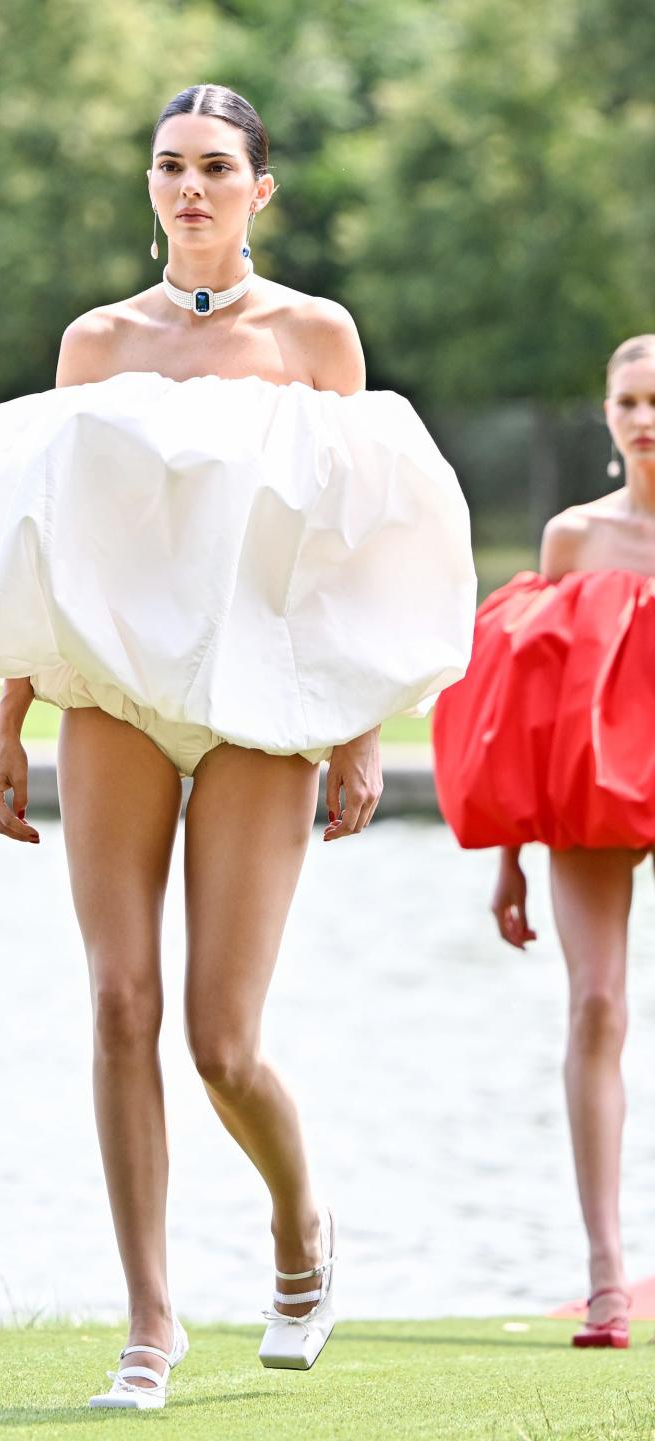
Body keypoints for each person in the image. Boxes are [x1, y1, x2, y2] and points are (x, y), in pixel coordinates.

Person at [0, 83, 475, 1406]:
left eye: (217, 166)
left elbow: (359, 548)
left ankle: (299, 1225)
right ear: (149, 185)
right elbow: (49, 545)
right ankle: (149, 1327)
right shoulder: (95, 343)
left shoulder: (317, 338)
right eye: (170, 165)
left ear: (261, 189)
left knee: (221, 1037)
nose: (192, 187)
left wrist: (359, 727)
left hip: (268, 703)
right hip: (113, 696)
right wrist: (7, 717)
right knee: (116, 1002)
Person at [433, 334, 655, 1350]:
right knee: (596, 1001)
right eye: (629, 401)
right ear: (607, 415)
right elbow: (532, 701)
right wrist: (509, 857)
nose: (645, 418)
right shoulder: (575, 540)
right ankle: (607, 1273)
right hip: (595, 794)